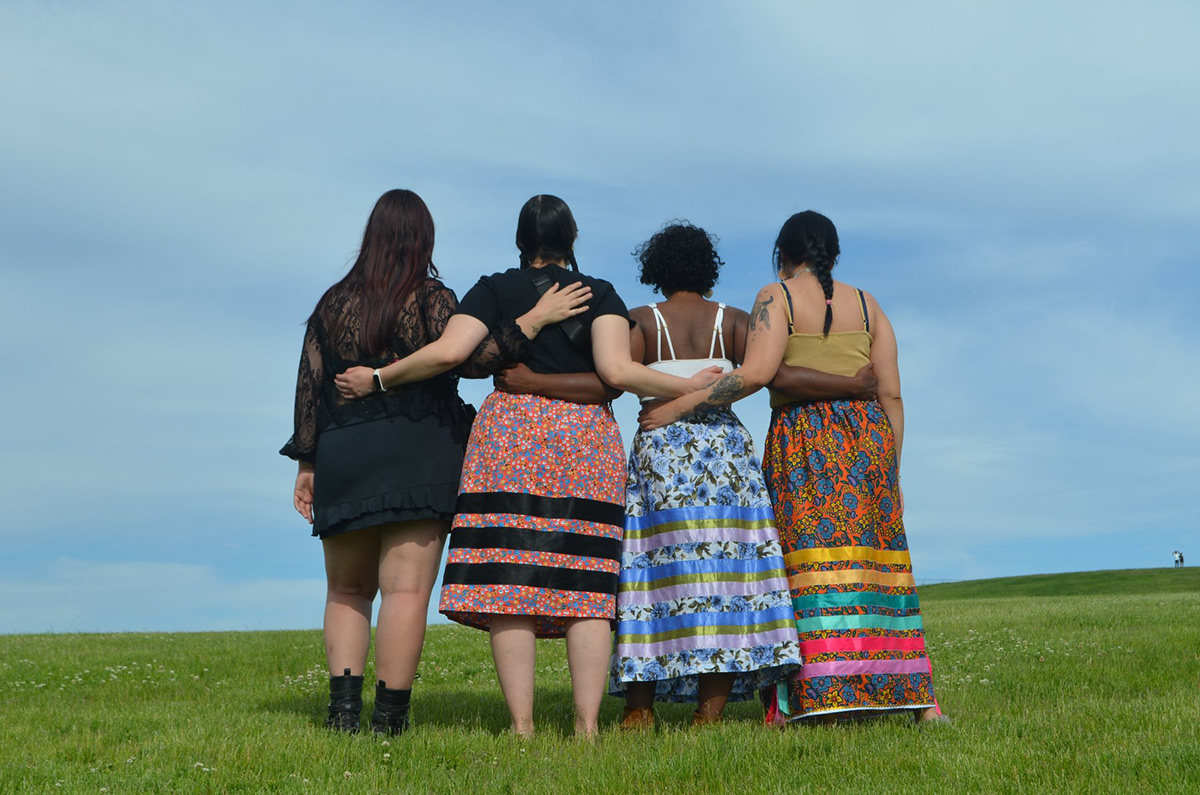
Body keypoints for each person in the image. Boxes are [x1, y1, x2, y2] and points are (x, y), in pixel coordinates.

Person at [334, 195, 719, 738]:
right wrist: (687, 385)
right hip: (585, 441)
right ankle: (586, 728)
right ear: (572, 238)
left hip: (509, 439)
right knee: (588, 587)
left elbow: (452, 356)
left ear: (521, 239)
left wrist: (379, 377)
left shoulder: (494, 288)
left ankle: (522, 726)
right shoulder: (601, 293)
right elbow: (616, 370)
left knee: (509, 583)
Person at [280, 189, 585, 734]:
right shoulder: (430, 298)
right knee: (405, 591)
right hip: (419, 451)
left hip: (345, 450)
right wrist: (533, 321)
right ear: (424, 240)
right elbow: (471, 359)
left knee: (346, 590)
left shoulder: (330, 304)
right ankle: (389, 720)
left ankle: (342, 715)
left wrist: (307, 463)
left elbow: (310, 388)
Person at [640, 210, 942, 724]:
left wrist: (677, 407)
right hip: (868, 441)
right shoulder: (869, 306)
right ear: (833, 252)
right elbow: (890, 393)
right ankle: (917, 702)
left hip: (805, 441)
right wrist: (892, 470)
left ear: (783, 253)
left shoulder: (774, 296)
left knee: (802, 565)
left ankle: (809, 700)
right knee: (879, 565)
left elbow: (757, 373)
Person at [595, 222, 876, 728]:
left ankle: (639, 711)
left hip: (662, 450)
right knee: (725, 579)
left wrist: (670, 402)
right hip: (724, 453)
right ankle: (710, 712)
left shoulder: (638, 320)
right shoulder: (736, 321)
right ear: (709, 268)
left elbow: (613, 379)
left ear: (655, 270)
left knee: (651, 574)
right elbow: (769, 374)